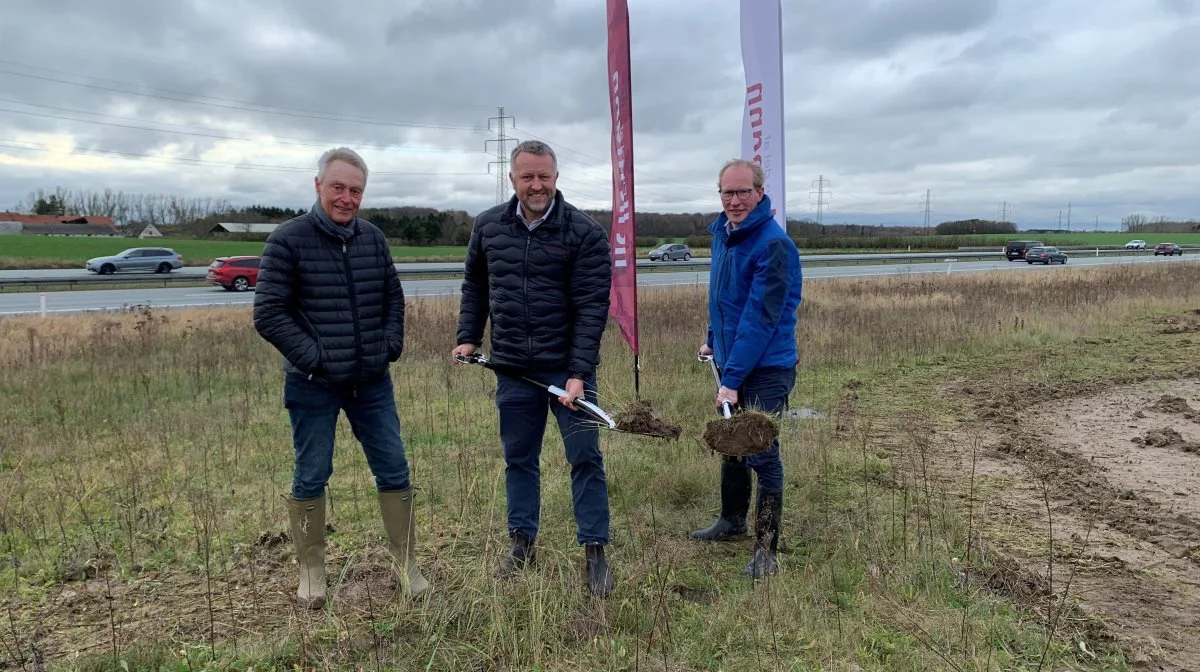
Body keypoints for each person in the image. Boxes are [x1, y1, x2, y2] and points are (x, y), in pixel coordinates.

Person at [253, 147, 429, 609]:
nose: (346, 198)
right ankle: (312, 572)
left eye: (355, 190)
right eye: (338, 187)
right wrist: (316, 358)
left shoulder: (373, 238)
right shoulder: (287, 240)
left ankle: (407, 565)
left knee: (394, 467)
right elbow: (269, 314)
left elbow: (394, 298)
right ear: (318, 187)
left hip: (371, 381)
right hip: (312, 383)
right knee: (311, 472)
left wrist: (389, 346)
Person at [452, 140, 616, 597]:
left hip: (568, 371)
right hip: (512, 370)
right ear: (513, 179)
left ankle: (595, 550)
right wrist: (468, 336)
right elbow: (475, 286)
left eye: (544, 176)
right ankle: (522, 544)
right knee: (519, 459)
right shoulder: (487, 227)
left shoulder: (584, 234)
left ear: (556, 178)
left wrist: (579, 372)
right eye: (528, 177)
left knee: (584, 458)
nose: (537, 185)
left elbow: (591, 308)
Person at [692, 159, 803, 578]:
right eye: (727, 193)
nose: (734, 201)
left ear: (759, 192)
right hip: (732, 357)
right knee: (730, 443)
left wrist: (733, 380)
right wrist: (712, 338)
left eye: (742, 192)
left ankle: (766, 550)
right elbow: (724, 299)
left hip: (767, 365)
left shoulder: (773, 245)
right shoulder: (725, 235)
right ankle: (731, 521)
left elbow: (761, 317)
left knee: (760, 451)